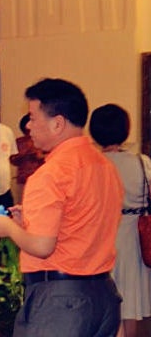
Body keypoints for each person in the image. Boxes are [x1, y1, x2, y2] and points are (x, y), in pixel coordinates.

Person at [0, 79, 124, 335]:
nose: (28, 126)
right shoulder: (105, 166)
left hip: (61, 301)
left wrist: (8, 228)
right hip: (103, 294)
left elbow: (42, 247)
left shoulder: (52, 173)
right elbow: (80, 224)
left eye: (32, 118)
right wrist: (25, 225)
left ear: (57, 123)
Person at [89, 104, 151, 336]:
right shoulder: (142, 162)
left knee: (103, 298)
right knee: (130, 301)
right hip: (134, 237)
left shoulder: (92, 164)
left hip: (100, 236)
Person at [10, 114, 46, 200]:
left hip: (42, 178)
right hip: (24, 180)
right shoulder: (19, 141)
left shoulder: (44, 140)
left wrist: (41, 155)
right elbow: (13, 159)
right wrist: (26, 153)